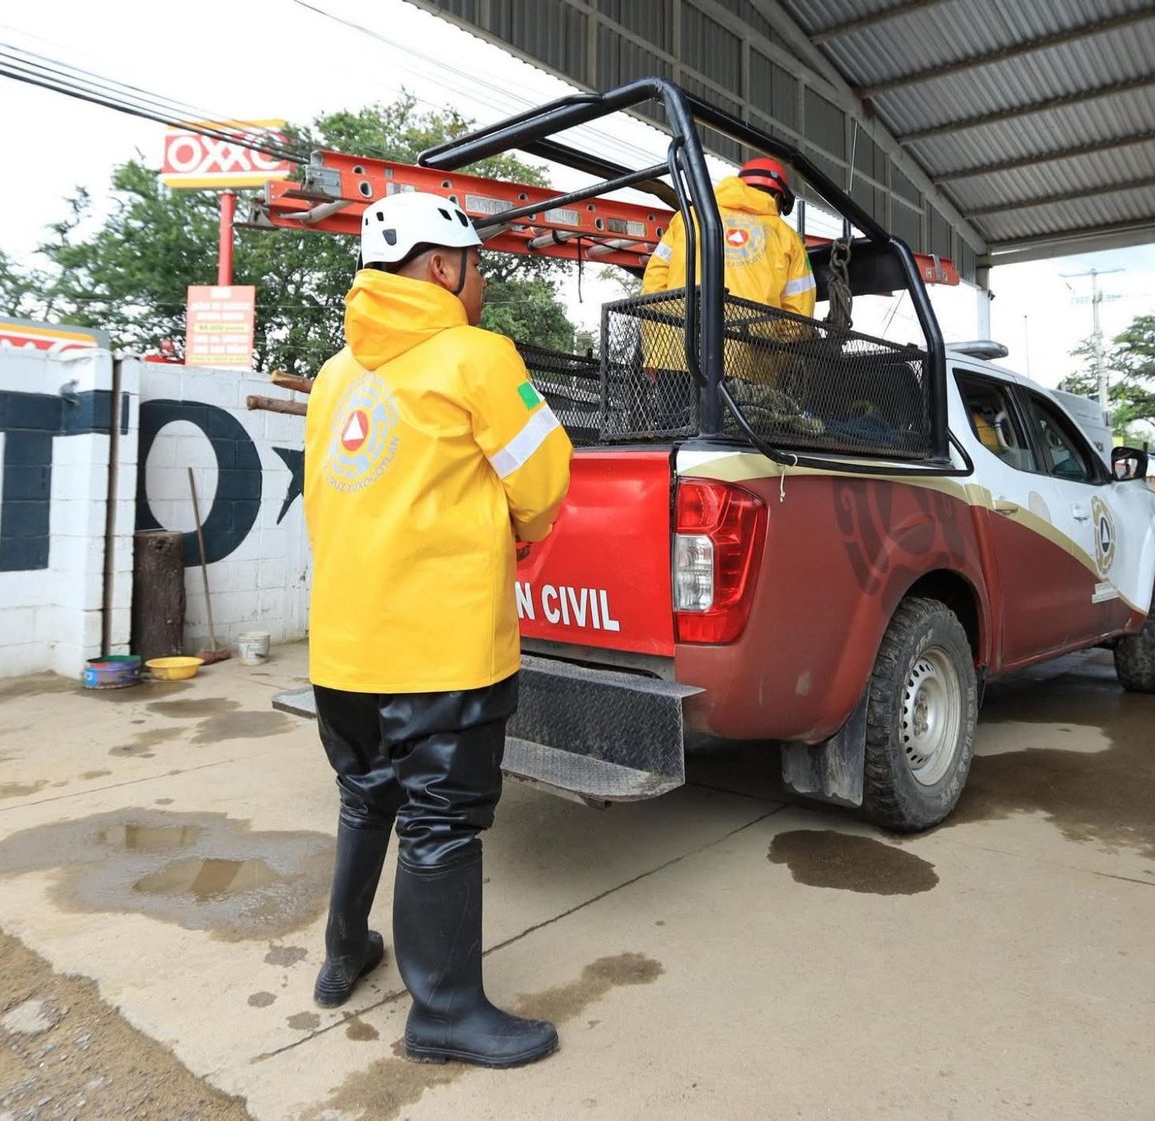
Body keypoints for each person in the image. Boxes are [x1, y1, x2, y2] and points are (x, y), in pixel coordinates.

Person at [302, 191, 572, 1069]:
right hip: (441, 651)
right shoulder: (476, 356)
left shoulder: (335, 374)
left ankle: (345, 950)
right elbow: (544, 481)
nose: (483, 283)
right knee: (440, 821)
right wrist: (517, 534)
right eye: (479, 266)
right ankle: (445, 1009)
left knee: (364, 794)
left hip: (344, 649)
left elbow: (326, 505)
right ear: (446, 267)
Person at [636, 159, 818, 404]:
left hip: (677, 354)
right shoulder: (789, 239)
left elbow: (653, 286)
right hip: (750, 360)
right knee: (736, 438)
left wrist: (655, 350)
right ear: (779, 197)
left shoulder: (686, 219)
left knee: (677, 433)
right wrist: (773, 361)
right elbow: (798, 318)